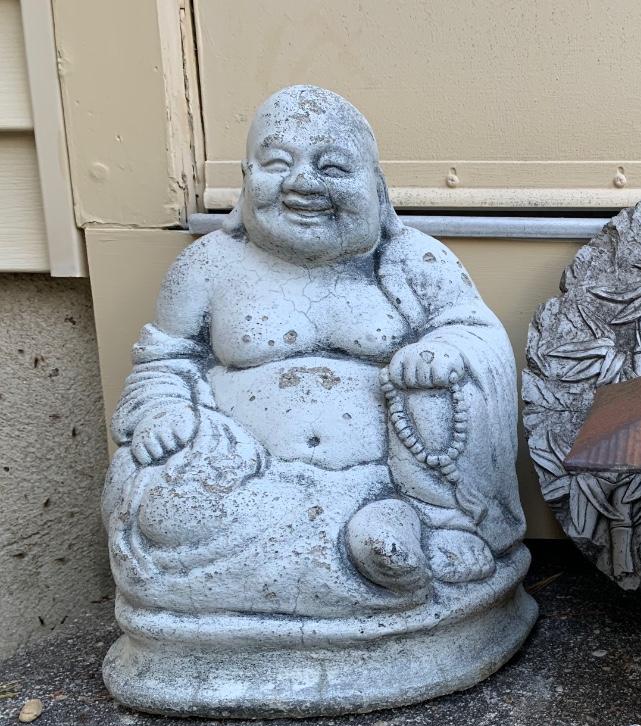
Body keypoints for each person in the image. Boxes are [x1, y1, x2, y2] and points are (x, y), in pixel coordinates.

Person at [102, 85, 524, 618]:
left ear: (377, 187)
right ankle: (368, 556)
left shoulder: (413, 259)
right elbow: (166, 360)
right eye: (278, 164)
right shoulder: (208, 265)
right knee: (161, 508)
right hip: (242, 482)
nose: (302, 183)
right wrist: (164, 410)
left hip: (386, 479)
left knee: (439, 381)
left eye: (333, 167)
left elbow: (473, 332)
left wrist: (444, 351)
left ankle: (427, 523)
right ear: (246, 178)